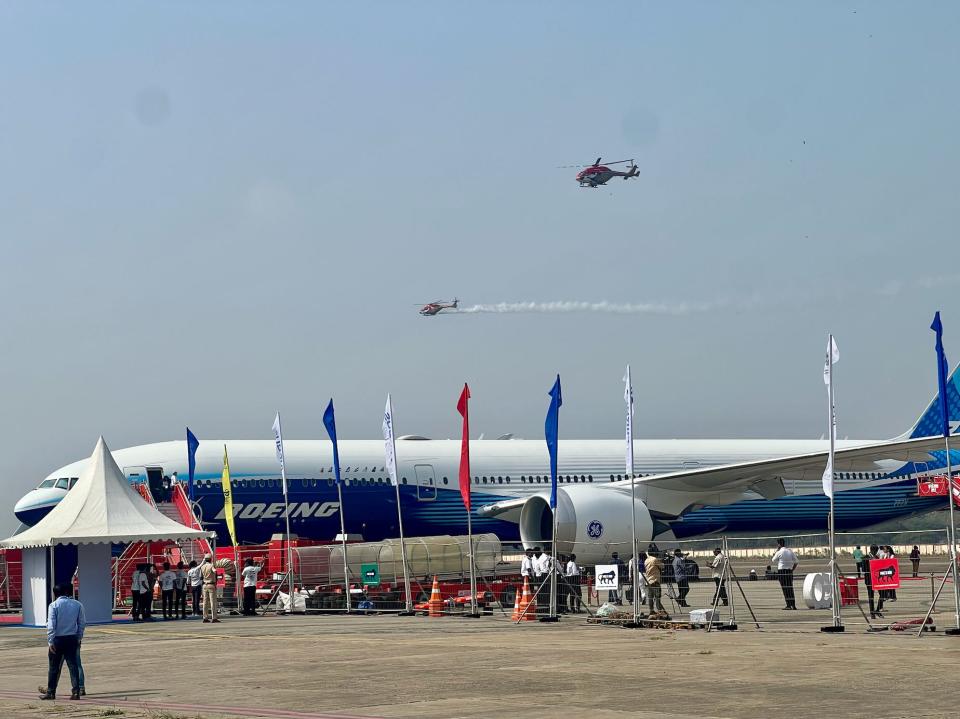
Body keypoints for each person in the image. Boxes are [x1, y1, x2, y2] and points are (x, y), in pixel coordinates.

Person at [39, 584, 85, 701]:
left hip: (58, 639)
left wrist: (50, 641)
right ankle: (76, 691)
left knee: (54, 667)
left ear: (55, 594)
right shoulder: (77, 605)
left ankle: (51, 692)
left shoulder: (53, 605)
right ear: (68, 592)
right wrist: (79, 638)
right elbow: (81, 623)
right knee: (73, 666)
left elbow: (51, 625)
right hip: (72, 638)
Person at [771, 538, 798, 610]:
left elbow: (773, 560)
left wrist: (777, 550)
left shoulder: (779, 552)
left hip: (782, 572)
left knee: (785, 588)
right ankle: (793, 605)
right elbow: (796, 562)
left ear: (779, 544)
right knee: (790, 588)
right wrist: (792, 569)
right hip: (789, 571)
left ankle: (788, 605)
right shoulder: (790, 551)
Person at [864, 544, 884, 619]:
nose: (875, 552)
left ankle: (877, 610)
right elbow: (864, 569)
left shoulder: (877, 558)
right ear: (872, 550)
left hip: (877, 580)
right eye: (875, 551)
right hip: (869, 580)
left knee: (882, 595)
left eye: (876, 551)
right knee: (871, 597)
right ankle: (872, 612)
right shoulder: (865, 558)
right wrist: (872, 564)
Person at [644, 552, 667, 619]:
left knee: (650, 597)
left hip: (649, 580)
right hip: (655, 580)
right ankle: (660, 610)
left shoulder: (646, 560)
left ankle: (651, 610)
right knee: (657, 597)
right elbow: (662, 566)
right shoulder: (654, 559)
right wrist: (661, 561)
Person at [200, 553, 220, 623]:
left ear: (205, 560)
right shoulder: (211, 565)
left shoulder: (202, 567)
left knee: (205, 602)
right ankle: (214, 618)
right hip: (211, 584)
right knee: (213, 602)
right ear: (211, 559)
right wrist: (215, 580)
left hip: (204, 585)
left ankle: (205, 617)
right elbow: (215, 571)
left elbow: (201, 577)